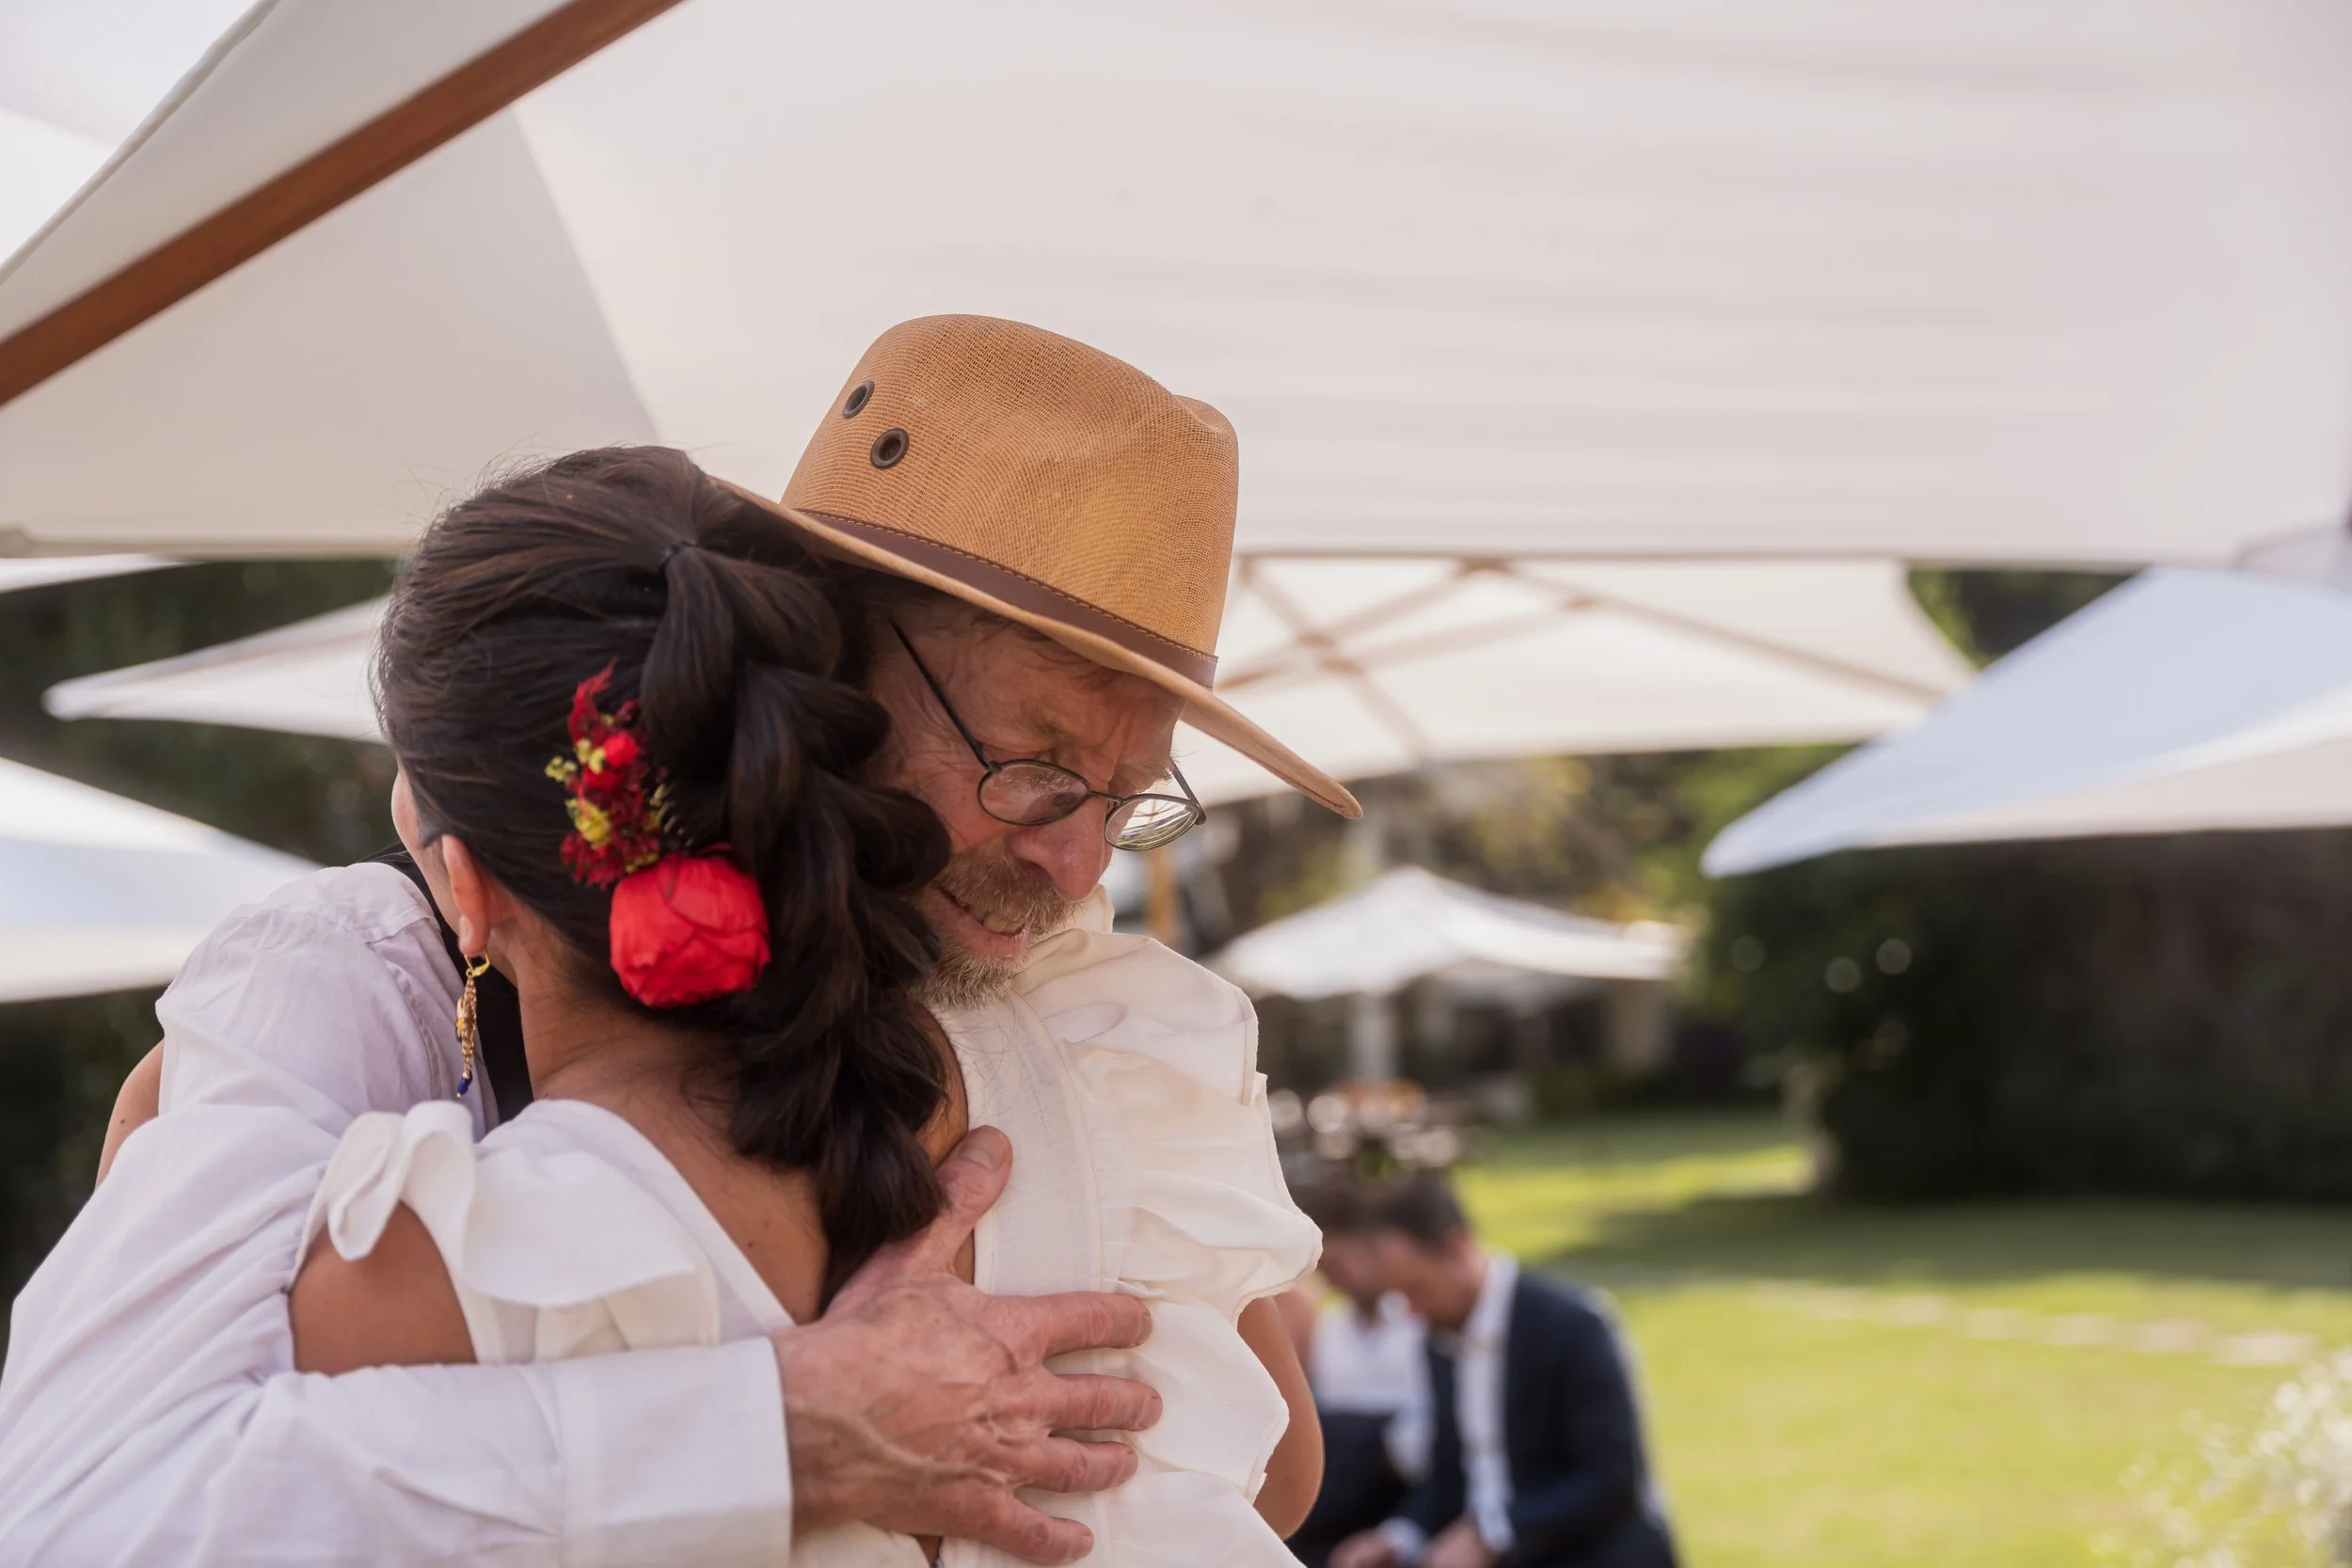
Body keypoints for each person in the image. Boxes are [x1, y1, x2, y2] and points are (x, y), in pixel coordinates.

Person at [0, 316, 1359, 1564]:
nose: (1073, 865)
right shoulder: (380, 1002)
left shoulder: (1091, 1020)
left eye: (1131, 800)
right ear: (821, 660)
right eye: (1032, 764)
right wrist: (796, 1423)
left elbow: (1266, 1468)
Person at [1327, 1181, 1677, 1568]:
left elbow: (1612, 1482)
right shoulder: (1437, 1335)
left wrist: (1492, 1533)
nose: (1408, 1312)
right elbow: (1450, 1470)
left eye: (1416, 1289)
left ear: (1458, 1249)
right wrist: (1398, 1537)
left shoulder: (1574, 1326)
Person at [1286, 1182, 1432, 1568]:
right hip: (1344, 1483)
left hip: (1406, 1481)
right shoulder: (1333, 1328)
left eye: (1337, 1264)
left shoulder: (1416, 1321)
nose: (1333, 1280)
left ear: (1370, 1247)